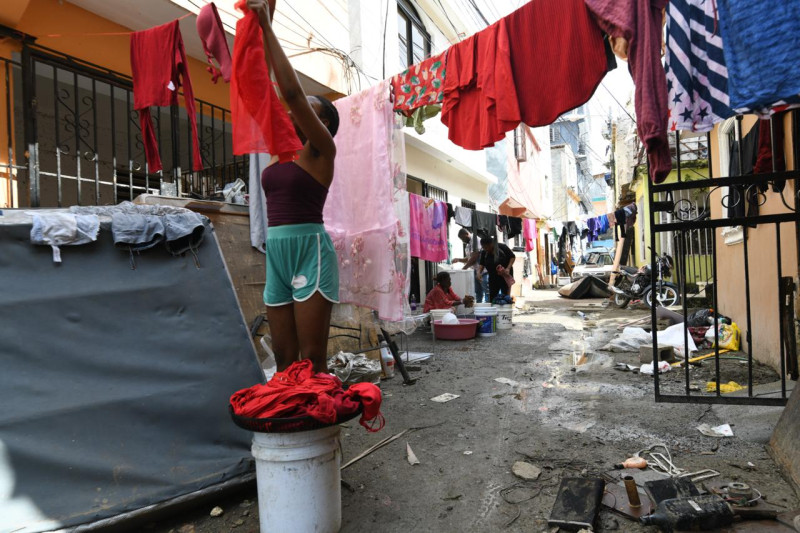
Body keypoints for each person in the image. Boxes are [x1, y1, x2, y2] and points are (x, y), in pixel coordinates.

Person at [249, 0, 339, 373]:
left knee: (312, 358)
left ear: (321, 124)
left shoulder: (322, 151)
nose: (291, 112)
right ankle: (290, 428)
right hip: (278, 252)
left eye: (307, 111)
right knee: (285, 359)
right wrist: (255, 35)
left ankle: (319, 429)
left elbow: (291, 93)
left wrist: (269, 27)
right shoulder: (280, 148)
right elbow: (265, 90)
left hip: (310, 252)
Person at [452, 228, 488, 303]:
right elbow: (469, 258)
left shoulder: (476, 240)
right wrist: (458, 260)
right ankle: (479, 306)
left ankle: (489, 306)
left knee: (486, 290)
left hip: (483, 270)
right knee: (478, 291)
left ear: (466, 234)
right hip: (474, 270)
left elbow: (475, 257)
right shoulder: (468, 245)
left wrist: (464, 268)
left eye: (463, 238)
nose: (463, 241)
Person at [477, 237, 516, 302]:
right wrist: (478, 273)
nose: (485, 249)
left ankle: (505, 310)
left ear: (491, 244)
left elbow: (512, 257)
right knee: (492, 296)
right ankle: (494, 310)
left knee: (505, 296)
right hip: (493, 277)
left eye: (486, 247)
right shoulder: (484, 252)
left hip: (504, 276)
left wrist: (508, 268)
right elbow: (482, 264)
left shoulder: (502, 247)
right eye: (483, 247)